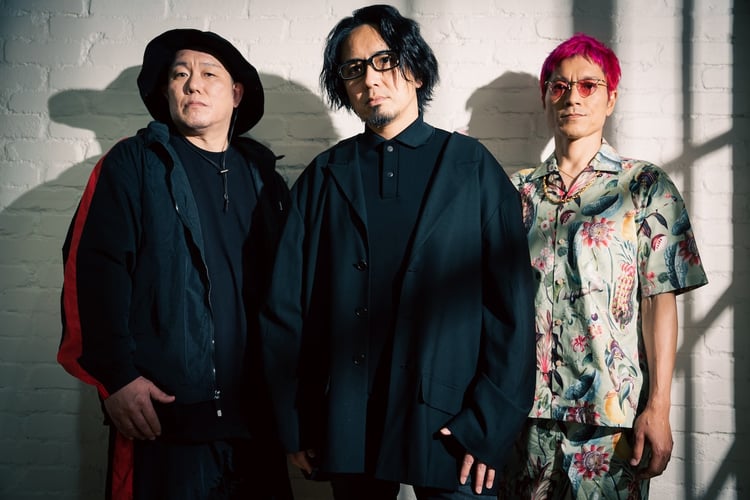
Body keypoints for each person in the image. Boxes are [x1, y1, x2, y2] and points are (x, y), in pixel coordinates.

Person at [259, 4, 536, 499]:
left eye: (384, 60)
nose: (370, 78)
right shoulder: (324, 177)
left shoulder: (472, 168)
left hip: (454, 423)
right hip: (346, 420)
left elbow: (511, 310)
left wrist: (489, 424)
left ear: (416, 70)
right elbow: (285, 310)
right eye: (353, 68)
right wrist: (294, 422)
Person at [57, 29, 293, 499]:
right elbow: (92, 273)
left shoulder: (265, 179)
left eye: (209, 74)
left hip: (256, 424)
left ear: (237, 94)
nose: (193, 84)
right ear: (166, 92)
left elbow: (290, 295)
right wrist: (117, 379)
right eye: (179, 74)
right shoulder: (133, 164)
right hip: (164, 420)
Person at [498, 33, 709, 499]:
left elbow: (659, 303)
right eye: (559, 86)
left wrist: (658, 406)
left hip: (611, 422)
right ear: (546, 97)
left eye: (588, 85)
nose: (572, 97)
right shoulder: (516, 192)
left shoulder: (645, 185)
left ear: (611, 98)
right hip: (523, 418)